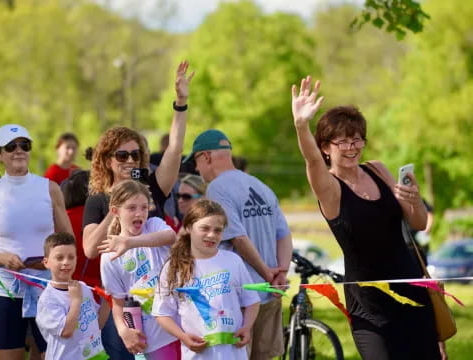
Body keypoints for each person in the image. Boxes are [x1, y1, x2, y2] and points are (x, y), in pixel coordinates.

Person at [291, 76, 445, 360]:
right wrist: (301, 125)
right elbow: (311, 161)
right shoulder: (330, 189)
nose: (352, 147)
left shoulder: (377, 169)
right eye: (342, 142)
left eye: (357, 139)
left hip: (412, 291)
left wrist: (413, 200)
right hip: (370, 308)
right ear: (325, 148)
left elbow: (419, 224)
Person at [82, 60, 193, 360]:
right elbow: (91, 249)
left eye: (135, 154)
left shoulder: (153, 188)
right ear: (107, 159)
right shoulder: (97, 200)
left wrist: (180, 104)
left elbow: (175, 150)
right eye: (122, 155)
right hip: (123, 305)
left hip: (164, 304)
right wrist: (115, 207)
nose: (130, 160)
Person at [183, 129, 292, 359]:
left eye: (195, 161)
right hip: (270, 293)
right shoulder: (259, 185)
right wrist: (280, 272)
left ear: (206, 157)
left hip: (239, 297)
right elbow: (283, 234)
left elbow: (238, 238)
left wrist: (268, 274)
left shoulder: (217, 188)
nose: (196, 169)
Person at [0, 124, 73, 360]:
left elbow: (68, 239)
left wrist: (51, 260)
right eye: (11, 146)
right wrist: (2, 258)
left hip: (47, 288)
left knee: (54, 356)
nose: (18, 151)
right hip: (5, 290)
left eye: (24, 145)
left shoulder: (49, 188)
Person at [153, 199, 260, 359]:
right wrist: (183, 336)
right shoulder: (173, 267)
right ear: (189, 228)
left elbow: (251, 300)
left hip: (234, 354)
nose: (211, 235)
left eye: (218, 230)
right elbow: (162, 313)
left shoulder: (233, 261)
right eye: (204, 228)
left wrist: (246, 327)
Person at [99, 180, 179, 359]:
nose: (139, 213)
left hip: (183, 325)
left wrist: (129, 242)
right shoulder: (109, 257)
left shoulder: (154, 225)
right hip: (153, 339)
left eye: (144, 207)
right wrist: (123, 331)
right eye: (131, 208)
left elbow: (170, 236)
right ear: (115, 211)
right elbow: (117, 303)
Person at [36, 232, 108, 360]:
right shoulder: (48, 299)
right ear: (46, 262)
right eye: (59, 258)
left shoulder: (83, 287)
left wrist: (108, 302)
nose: (66, 262)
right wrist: (76, 301)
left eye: (71, 257)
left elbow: (97, 324)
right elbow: (66, 332)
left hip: (93, 356)